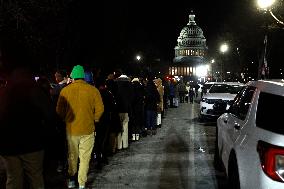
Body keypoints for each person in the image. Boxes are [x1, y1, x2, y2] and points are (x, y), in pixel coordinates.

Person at [56, 65, 104, 189]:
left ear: (72, 75)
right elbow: (100, 109)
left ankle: (72, 180)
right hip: (88, 129)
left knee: (72, 155)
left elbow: (59, 110)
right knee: (85, 157)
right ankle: (82, 183)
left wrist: (64, 119)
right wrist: (95, 119)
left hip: (71, 129)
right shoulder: (93, 90)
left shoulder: (65, 91)